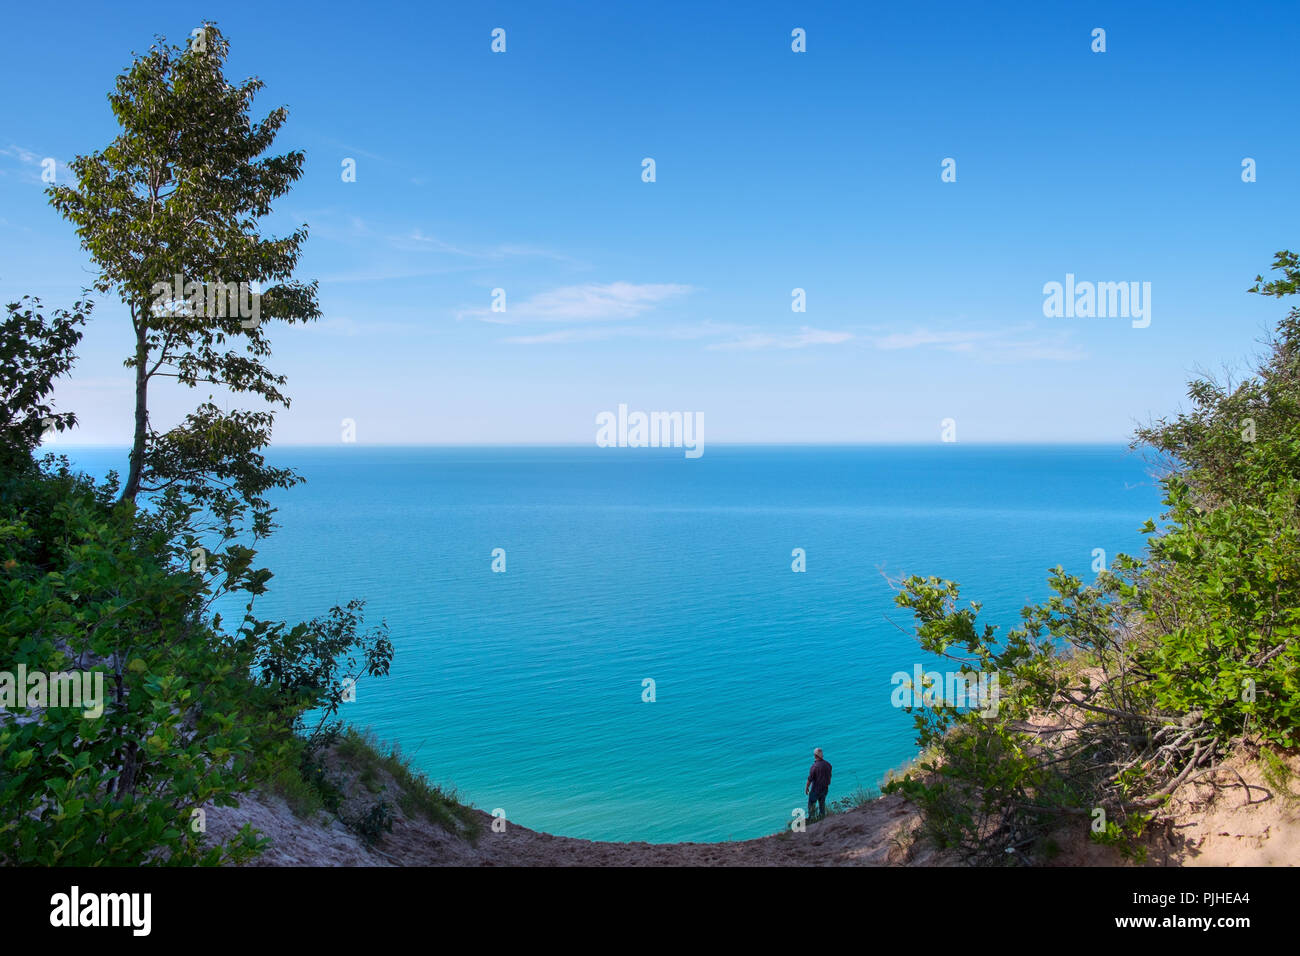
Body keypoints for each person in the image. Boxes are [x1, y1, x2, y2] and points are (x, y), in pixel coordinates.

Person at [805, 747, 832, 820]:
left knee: (811, 804)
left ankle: (812, 819)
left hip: (816, 789)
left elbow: (810, 779)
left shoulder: (814, 767)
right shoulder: (828, 764)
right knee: (822, 804)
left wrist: (806, 787)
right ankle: (822, 817)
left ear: (815, 756)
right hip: (825, 788)